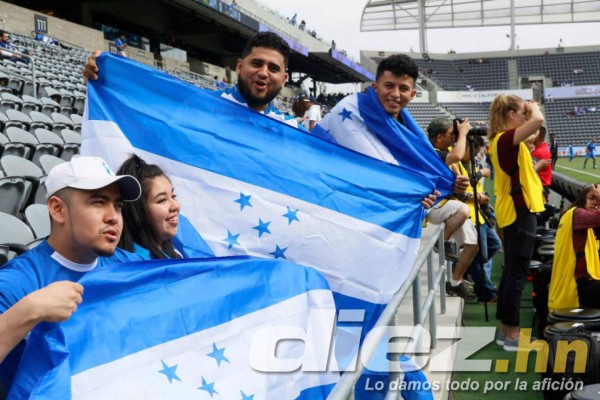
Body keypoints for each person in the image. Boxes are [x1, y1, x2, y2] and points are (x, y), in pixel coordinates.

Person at [0, 156, 143, 391]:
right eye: (98, 202)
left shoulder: (132, 269)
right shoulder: (18, 282)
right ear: (58, 209)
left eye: (118, 205)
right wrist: (29, 311)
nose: (113, 217)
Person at [314, 54, 469, 210]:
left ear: (412, 94)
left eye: (403, 88)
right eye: (389, 86)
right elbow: (315, 150)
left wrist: (447, 186)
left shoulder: (412, 137)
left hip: (382, 216)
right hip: (344, 205)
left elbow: (419, 176)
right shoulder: (350, 110)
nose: (395, 94)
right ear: (375, 87)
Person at [83, 32, 302, 129]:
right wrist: (105, 78)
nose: (263, 72)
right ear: (239, 66)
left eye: (273, 68)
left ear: (283, 79)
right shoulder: (197, 105)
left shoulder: (294, 132)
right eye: (257, 63)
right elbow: (138, 111)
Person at [488, 95, 545, 352]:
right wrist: (534, 110)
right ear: (511, 114)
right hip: (519, 212)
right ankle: (512, 335)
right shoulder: (504, 141)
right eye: (522, 112)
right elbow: (538, 121)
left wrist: (530, 111)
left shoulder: (506, 141)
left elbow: (535, 131)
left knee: (512, 271)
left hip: (515, 212)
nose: (526, 116)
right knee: (517, 273)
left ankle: (504, 331)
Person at [427, 117, 479, 300]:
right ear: (440, 137)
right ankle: (442, 241)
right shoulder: (431, 151)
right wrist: (463, 133)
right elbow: (457, 155)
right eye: (451, 134)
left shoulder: (443, 151)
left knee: (473, 245)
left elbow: (456, 167)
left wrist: (459, 183)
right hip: (434, 206)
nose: (454, 138)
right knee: (464, 210)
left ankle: (455, 283)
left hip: (448, 203)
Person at [460, 135, 501, 303]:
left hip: (480, 212)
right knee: (480, 254)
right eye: (474, 152)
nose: (476, 156)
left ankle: (466, 268)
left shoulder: (470, 162)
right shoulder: (458, 163)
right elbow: (459, 187)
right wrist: (480, 173)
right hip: (471, 214)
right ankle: (486, 292)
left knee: (494, 245)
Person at [549, 184, 600, 311]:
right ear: (582, 199)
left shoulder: (571, 216)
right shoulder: (577, 213)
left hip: (575, 284)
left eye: (597, 199)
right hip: (575, 287)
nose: (595, 202)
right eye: (592, 198)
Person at [531, 126, 552, 200]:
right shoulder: (545, 148)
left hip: (540, 188)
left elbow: (530, 173)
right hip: (545, 187)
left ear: (536, 137)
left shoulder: (537, 153)